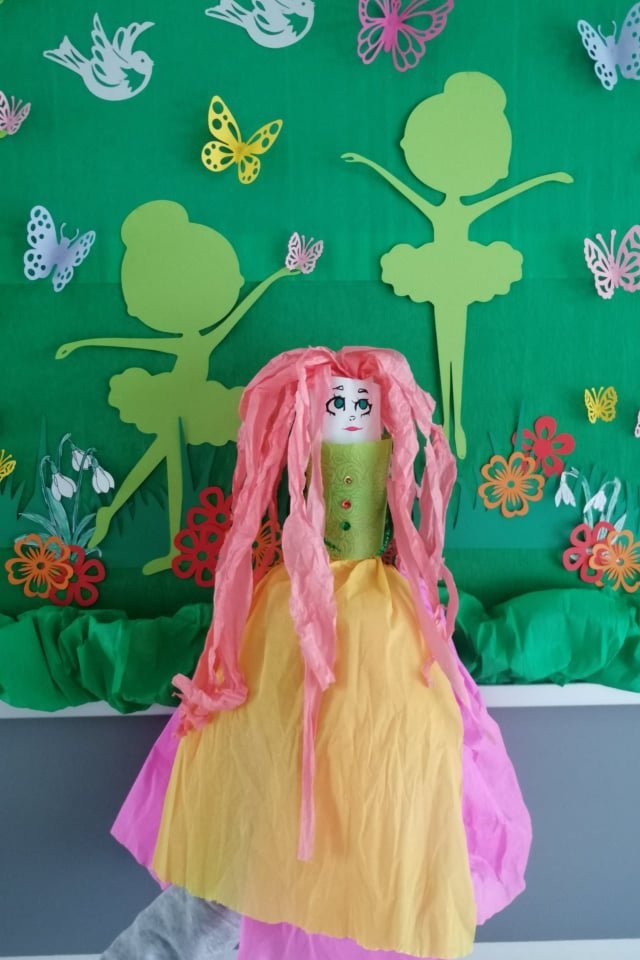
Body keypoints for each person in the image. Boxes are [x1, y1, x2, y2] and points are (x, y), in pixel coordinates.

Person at [106, 346, 531, 959]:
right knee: (236, 883)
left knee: (313, 873)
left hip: (366, 653)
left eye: (360, 412)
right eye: (340, 411)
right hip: (293, 664)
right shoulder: (290, 601)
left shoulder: (384, 609)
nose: (351, 415)